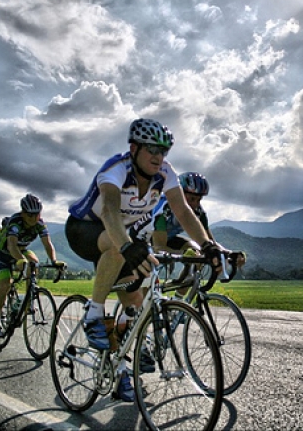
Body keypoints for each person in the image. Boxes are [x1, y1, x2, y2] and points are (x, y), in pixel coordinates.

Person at [65, 118, 228, 402]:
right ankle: (93, 315)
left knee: (136, 303)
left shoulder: (165, 173)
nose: (158, 156)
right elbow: (110, 213)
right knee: (119, 248)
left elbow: (184, 212)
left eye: (163, 151)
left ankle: (121, 371)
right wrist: (127, 245)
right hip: (85, 230)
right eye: (152, 149)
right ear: (134, 148)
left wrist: (208, 246)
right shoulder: (116, 170)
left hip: (118, 236)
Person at [152, 172, 246, 297]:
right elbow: (159, 247)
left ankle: (178, 301)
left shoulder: (199, 212)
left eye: (199, 199)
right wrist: (184, 255)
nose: (195, 204)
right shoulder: (164, 208)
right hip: (146, 239)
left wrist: (228, 253)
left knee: (200, 251)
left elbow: (209, 242)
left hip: (169, 238)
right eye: (191, 199)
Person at [0, 194, 66, 337]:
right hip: (2, 253)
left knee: (34, 263)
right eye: (30, 215)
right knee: (5, 284)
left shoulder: (39, 224)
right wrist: (20, 259)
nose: (33, 218)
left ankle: (28, 303)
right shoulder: (15, 222)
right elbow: (12, 245)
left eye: (37, 214)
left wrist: (54, 261)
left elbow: (47, 244)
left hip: (21, 250)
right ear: (23, 213)